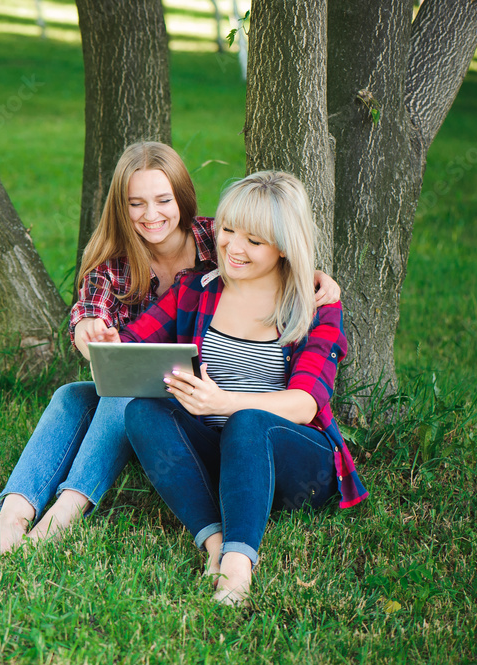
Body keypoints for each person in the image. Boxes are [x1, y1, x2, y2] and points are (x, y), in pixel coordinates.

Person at [0, 144, 341, 555]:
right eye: (136, 203)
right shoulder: (123, 267)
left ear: (183, 200)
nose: (150, 214)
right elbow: (101, 322)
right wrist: (94, 334)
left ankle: (68, 508)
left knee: (161, 401)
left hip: (223, 417)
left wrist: (312, 275)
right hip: (172, 408)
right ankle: (15, 510)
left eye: (162, 200)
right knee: (82, 394)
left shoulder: (220, 238)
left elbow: (270, 243)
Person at [115, 171, 368, 605]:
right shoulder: (195, 289)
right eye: (228, 230)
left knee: (248, 422)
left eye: (255, 240)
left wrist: (223, 402)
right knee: (142, 410)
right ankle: (213, 542)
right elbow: (128, 346)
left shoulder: (315, 306)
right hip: (215, 456)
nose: (233, 246)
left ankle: (237, 568)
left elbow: (306, 403)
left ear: (285, 246)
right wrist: (98, 333)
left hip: (294, 466)